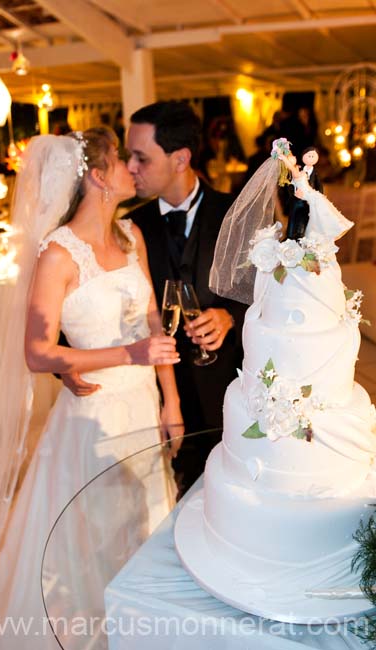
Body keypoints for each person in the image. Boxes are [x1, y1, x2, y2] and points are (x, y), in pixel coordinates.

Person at [0, 128, 183, 648]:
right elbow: (38, 351)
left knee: (143, 522)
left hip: (142, 406)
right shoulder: (58, 254)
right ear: (98, 177)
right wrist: (128, 355)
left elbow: (151, 323)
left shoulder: (130, 236)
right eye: (122, 159)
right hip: (91, 418)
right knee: (94, 539)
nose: (132, 168)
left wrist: (172, 398)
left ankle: (142, 622)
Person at [125, 101, 247, 497]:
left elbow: (269, 296)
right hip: (157, 401)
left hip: (227, 394)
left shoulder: (236, 215)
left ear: (180, 159)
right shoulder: (129, 227)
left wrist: (230, 316)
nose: (130, 167)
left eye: (141, 158)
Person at [210, 137, 354, 307]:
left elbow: (317, 187)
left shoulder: (312, 173)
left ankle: (304, 246)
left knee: (316, 228)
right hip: (299, 204)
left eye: (314, 156)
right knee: (296, 227)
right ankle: (293, 244)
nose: (312, 158)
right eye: (309, 155)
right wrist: (283, 157)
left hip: (311, 202)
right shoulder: (297, 171)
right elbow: (290, 178)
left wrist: (316, 198)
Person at [285, 145, 323, 240]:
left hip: (309, 201)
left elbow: (319, 186)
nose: (310, 158)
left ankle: (301, 236)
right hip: (296, 199)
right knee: (293, 218)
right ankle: (290, 235)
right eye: (308, 155)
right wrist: (293, 194)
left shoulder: (316, 173)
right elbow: (290, 183)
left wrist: (318, 198)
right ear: (303, 156)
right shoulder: (299, 169)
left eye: (313, 156)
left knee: (305, 219)